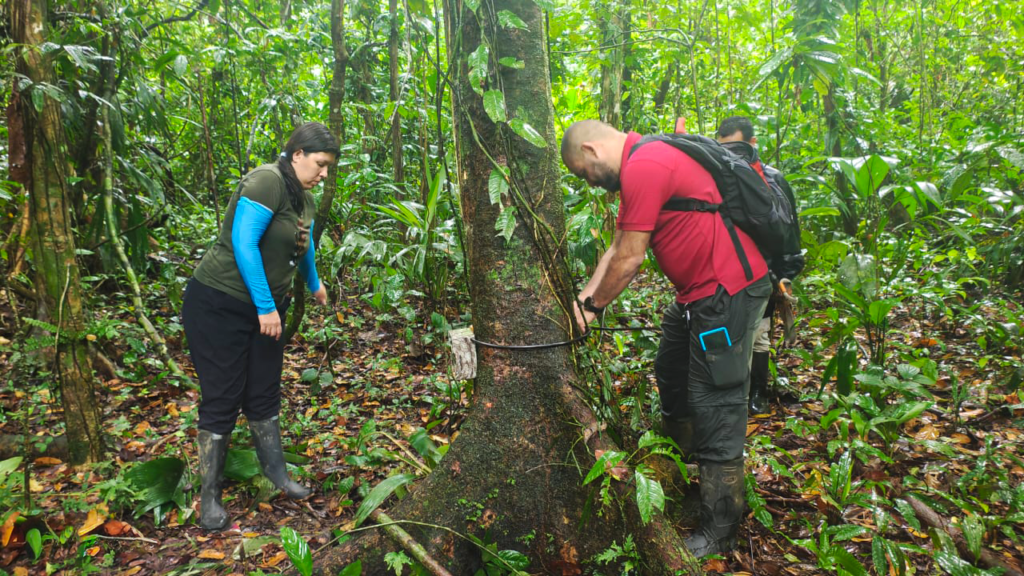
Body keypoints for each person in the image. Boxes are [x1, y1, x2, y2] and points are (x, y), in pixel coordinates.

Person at [561, 120, 771, 557]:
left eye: (584, 172)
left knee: (716, 401)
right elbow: (618, 246)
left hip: (725, 292)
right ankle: (679, 462)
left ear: (591, 149)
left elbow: (631, 259)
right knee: (671, 367)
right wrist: (582, 300)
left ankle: (720, 526)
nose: (591, 183)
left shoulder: (647, 164)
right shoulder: (643, 164)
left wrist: (595, 307)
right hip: (697, 297)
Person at [182, 122, 338, 531]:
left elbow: (304, 243)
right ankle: (209, 497)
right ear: (298, 154)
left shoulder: (302, 196)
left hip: (267, 309)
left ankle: (276, 474)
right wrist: (266, 307)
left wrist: (314, 283)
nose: (324, 174)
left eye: (328, 167)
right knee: (222, 396)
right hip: (220, 302)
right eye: (320, 164)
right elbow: (243, 241)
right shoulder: (267, 181)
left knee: (264, 390)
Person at [714, 116, 803, 415]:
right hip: (727, 268)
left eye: (736, 148)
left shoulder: (773, 179)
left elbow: (789, 229)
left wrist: (786, 273)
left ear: (753, 144)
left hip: (764, 269)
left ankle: (757, 393)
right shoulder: (719, 175)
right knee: (730, 331)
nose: (730, 155)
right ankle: (733, 391)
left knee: (760, 333)